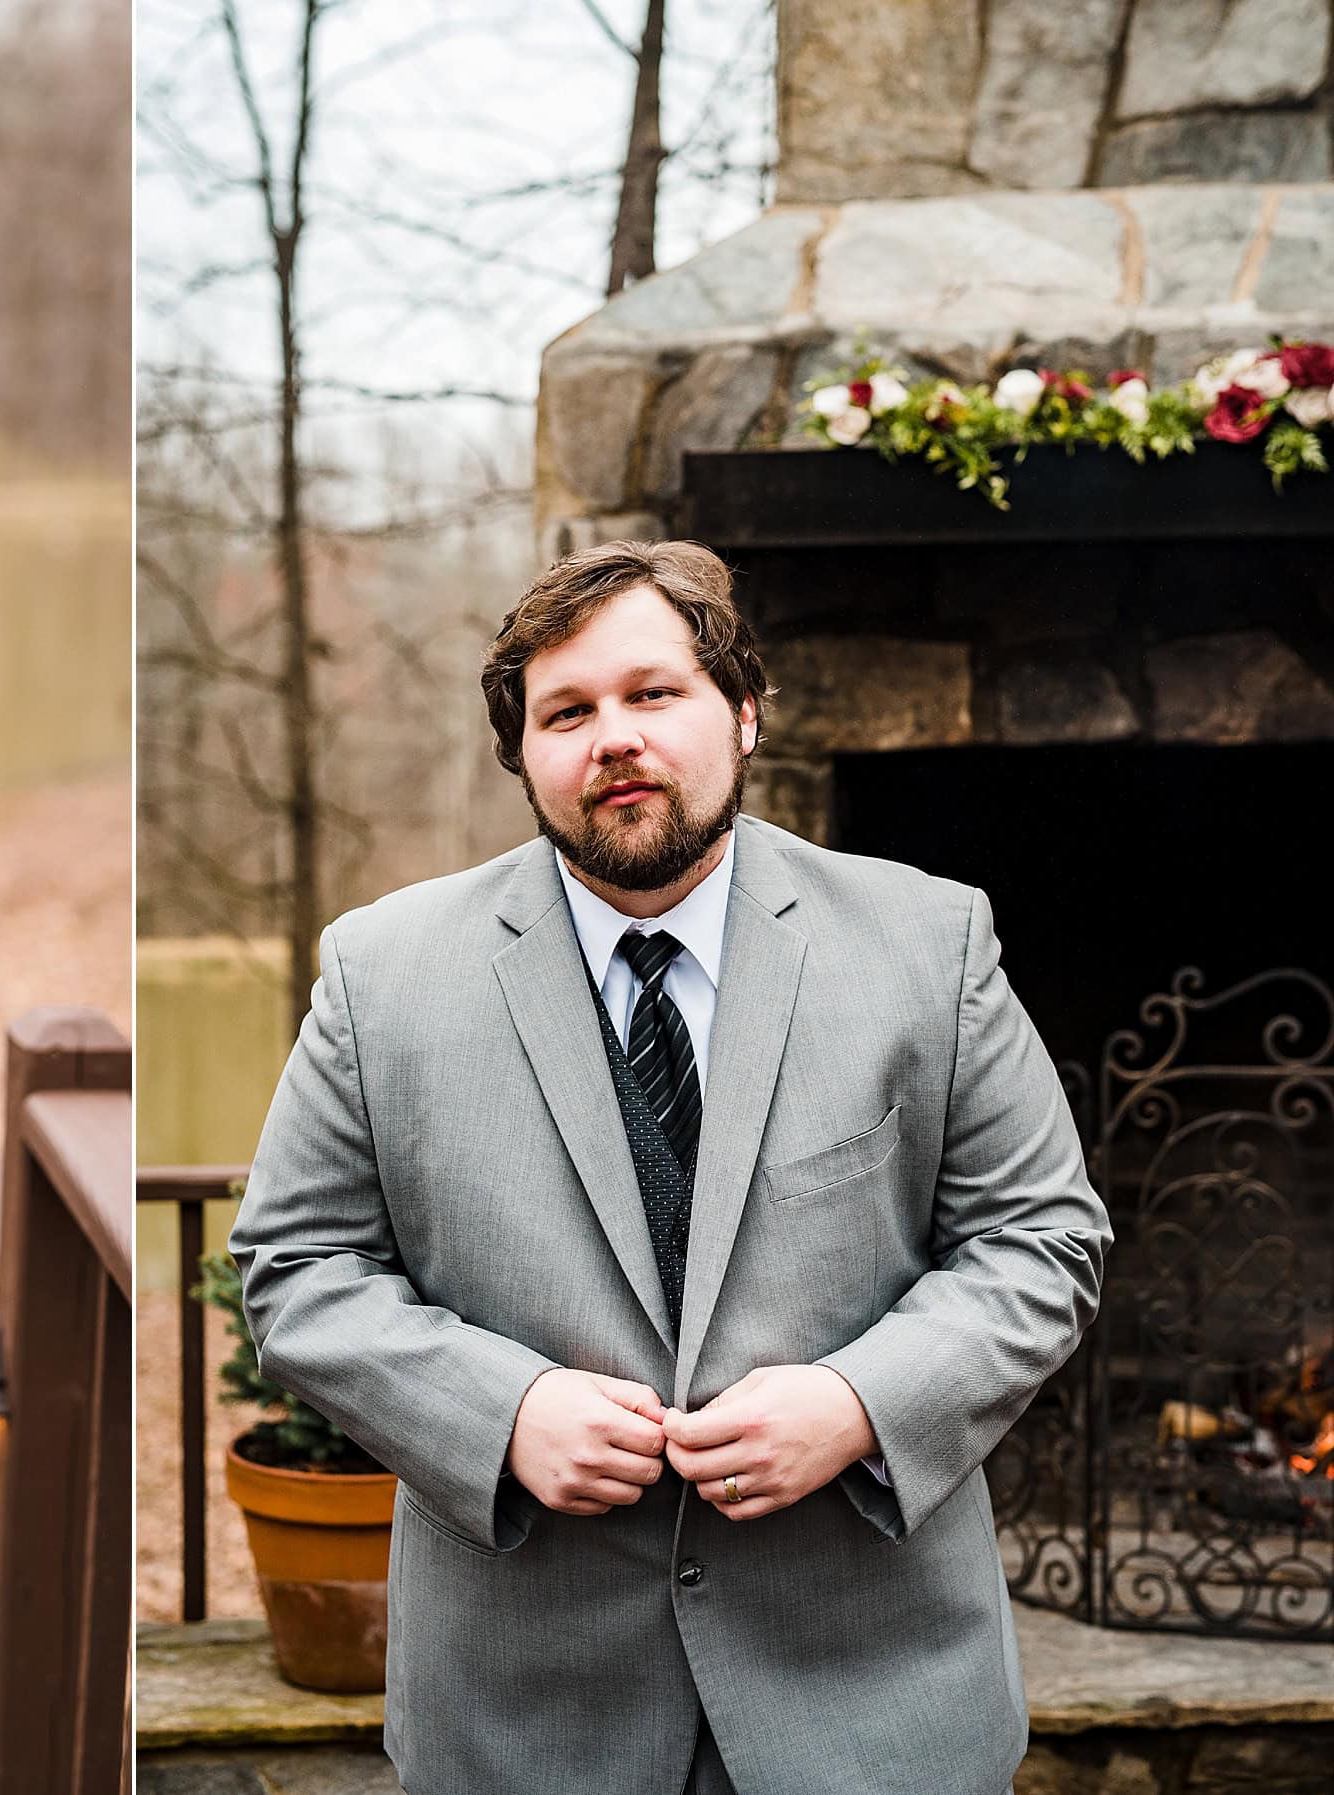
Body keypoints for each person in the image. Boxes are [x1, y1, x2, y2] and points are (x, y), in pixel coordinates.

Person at [229, 539, 1112, 1795]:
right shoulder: (383, 974)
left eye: (655, 693)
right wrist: (503, 1413)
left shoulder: (930, 940)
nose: (615, 737)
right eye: (567, 711)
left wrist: (862, 1403)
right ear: (521, 755)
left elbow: (1044, 1241)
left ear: (742, 711)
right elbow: (296, 1267)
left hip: (873, 1699)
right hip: (523, 1714)